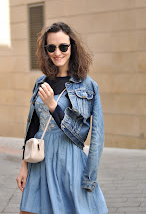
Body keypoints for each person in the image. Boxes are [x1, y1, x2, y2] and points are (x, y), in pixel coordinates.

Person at [16, 22, 108, 214]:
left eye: (63, 47)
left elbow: (90, 135)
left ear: (72, 48)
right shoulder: (41, 82)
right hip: (40, 159)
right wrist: (24, 165)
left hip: (69, 160)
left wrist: (52, 105)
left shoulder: (88, 85)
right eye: (51, 48)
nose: (57, 52)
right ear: (45, 51)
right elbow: (32, 125)